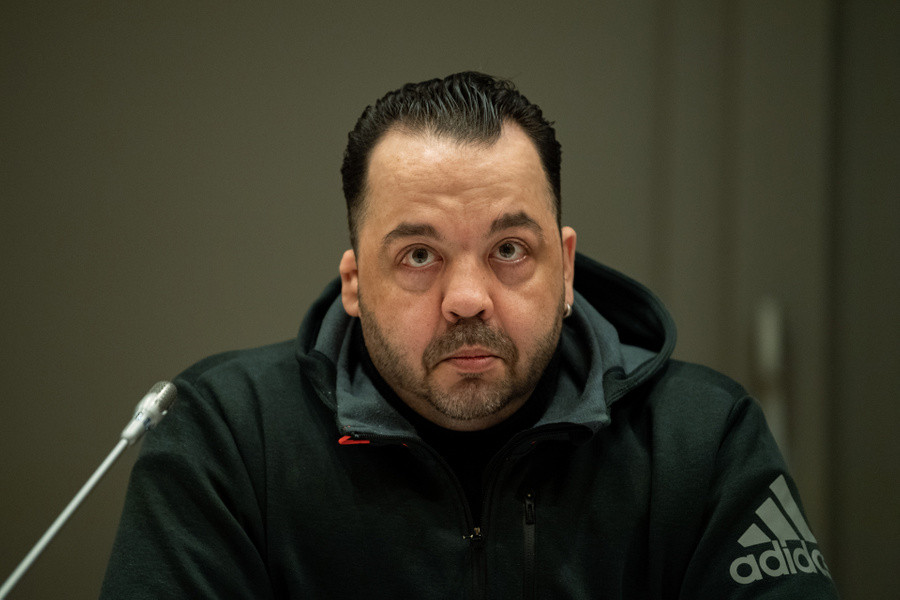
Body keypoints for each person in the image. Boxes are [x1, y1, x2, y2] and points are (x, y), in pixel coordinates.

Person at [100, 72, 839, 598]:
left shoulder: (701, 439)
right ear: (354, 283)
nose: (467, 299)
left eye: (509, 250)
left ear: (566, 267)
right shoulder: (227, 438)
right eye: (419, 256)